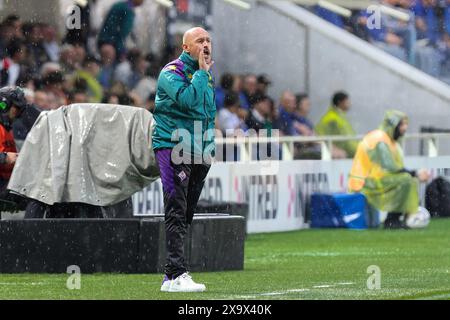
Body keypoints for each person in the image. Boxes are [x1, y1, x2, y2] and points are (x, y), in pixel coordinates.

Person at [152, 27, 215, 293]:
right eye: (200, 40)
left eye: (209, 40)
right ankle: (177, 273)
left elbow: (208, 112)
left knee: (186, 212)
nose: (206, 44)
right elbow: (188, 102)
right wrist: (201, 73)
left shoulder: (207, 75)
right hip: (173, 145)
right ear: (186, 47)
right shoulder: (172, 72)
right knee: (176, 208)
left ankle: (171, 277)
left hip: (199, 149)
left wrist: (209, 149)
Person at [348, 110, 430, 229]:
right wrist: (415, 173)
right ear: (393, 125)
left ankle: (399, 218)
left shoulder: (389, 140)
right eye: (402, 125)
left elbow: (395, 168)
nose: (405, 128)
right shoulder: (380, 139)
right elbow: (389, 166)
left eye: (406, 124)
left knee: (407, 179)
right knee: (406, 180)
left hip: (374, 179)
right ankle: (393, 220)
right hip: (364, 182)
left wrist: (413, 174)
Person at [315, 91, 358, 158]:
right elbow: (344, 141)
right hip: (338, 154)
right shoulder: (333, 119)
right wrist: (358, 150)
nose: (350, 104)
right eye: (347, 102)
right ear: (340, 102)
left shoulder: (339, 116)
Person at [0, 87, 26, 192]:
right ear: (4, 106)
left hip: (8, 181)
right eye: (16, 108)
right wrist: (4, 157)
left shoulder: (7, 130)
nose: (18, 112)